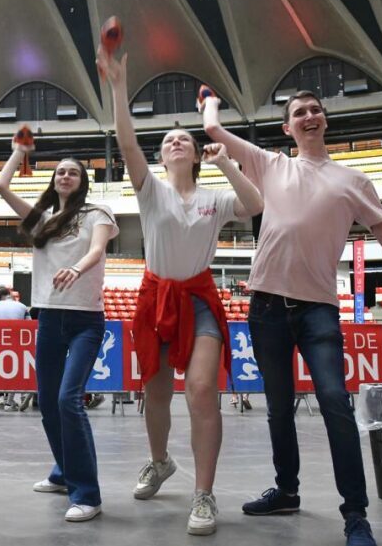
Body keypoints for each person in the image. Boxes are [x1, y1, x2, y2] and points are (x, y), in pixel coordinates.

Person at [202, 88, 382, 546]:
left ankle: (355, 514)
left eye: (316, 110)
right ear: (287, 128)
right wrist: (209, 99)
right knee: (277, 408)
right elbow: (212, 129)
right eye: (299, 113)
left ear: (324, 121)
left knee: (334, 402)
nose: (309, 116)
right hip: (267, 305)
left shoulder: (354, 180)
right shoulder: (272, 165)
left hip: (318, 310)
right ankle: (286, 490)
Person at [98, 46, 264, 536]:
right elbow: (128, 144)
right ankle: (159, 461)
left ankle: (205, 494)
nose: (174, 143)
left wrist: (228, 162)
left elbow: (253, 205)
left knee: (200, 391)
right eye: (167, 140)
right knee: (155, 392)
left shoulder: (215, 196)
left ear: (194, 153)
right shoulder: (150, 190)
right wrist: (118, 86)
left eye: (182, 139)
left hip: (199, 299)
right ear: (162, 155)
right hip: (155, 298)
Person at [0, 140, 119, 523]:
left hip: (85, 318)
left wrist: (77, 269)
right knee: (48, 402)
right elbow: (2, 186)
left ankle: (88, 494)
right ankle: (65, 472)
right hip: (48, 316)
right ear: (54, 179)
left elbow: (98, 250)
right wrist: (19, 151)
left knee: (68, 399)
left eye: (73, 171)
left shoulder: (99, 212)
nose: (65, 175)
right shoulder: (43, 218)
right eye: (60, 171)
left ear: (82, 181)